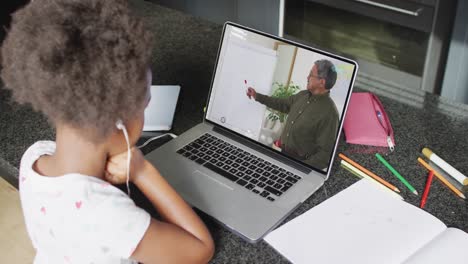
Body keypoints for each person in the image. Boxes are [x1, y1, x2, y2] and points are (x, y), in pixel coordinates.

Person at [0, 0, 214, 263]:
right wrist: (142, 171)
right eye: (144, 105)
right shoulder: (107, 214)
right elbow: (200, 249)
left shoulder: (33, 157)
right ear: (120, 122)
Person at [246, 60, 339, 169]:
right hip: (282, 155)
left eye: (310, 74)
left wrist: (302, 169)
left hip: (299, 164)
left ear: (322, 82)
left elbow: (325, 155)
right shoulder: (302, 95)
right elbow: (281, 104)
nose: (307, 77)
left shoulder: (330, 113)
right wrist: (257, 96)